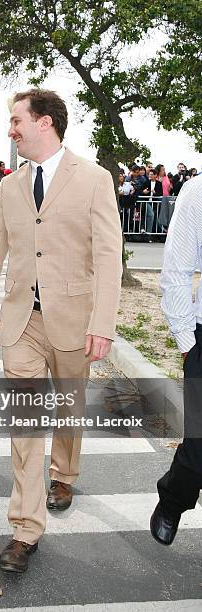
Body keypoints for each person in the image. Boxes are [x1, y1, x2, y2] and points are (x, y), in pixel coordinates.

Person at [0, 88, 122, 573]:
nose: (10, 129)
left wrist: (103, 324)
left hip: (75, 319)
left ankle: (66, 472)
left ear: (45, 123)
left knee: (70, 408)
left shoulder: (93, 178)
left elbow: (107, 255)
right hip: (22, 323)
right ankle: (25, 529)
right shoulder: (9, 187)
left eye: (16, 120)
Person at [150, 173, 202, 545]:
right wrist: (188, 341)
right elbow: (177, 269)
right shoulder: (199, 190)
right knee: (200, 445)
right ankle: (173, 500)